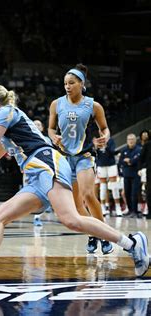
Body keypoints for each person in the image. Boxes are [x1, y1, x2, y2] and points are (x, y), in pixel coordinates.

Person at [0, 84, 149, 279]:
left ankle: (132, 243)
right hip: (35, 174)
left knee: (71, 219)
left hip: (46, 162)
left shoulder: (5, 112)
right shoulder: (7, 122)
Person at [48, 64, 113, 255]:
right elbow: (51, 128)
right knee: (76, 206)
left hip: (85, 155)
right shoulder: (56, 104)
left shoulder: (93, 105)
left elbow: (104, 128)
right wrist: (53, 137)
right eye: (65, 83)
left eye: (71, 83)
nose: (67, 86)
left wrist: (105, 137)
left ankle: (106, 235)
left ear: (81, 84)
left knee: (87, 195)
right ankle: (94, 234)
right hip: (65, 158)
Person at [95, 137, 123, 217]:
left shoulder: (111, 140)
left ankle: (118, 207)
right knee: (103, 187)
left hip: (111, 164)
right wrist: (96, 147)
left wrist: (105, 145)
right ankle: (102, 207)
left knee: (114, 187)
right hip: (101, 165)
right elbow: (95, 153)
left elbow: (112, 152)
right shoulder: (97, 140)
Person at [119, 133, 142, 218]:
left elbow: (137, 159)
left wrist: (130, 161)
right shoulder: (124, 150)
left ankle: (135, 211)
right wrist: (129, 161)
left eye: (132, 139)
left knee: (134, 193)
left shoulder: (139, 149)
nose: (131, 141)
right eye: (129, 139)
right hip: (126, 174)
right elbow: (121, 161)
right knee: (127, 193)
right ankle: (130, 210)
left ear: (135, 140)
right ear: (127, 141)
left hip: (136, 174)